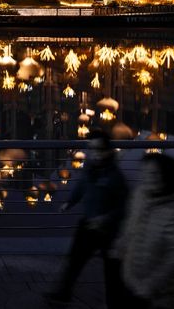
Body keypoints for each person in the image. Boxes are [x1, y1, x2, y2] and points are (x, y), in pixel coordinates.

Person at [45, 130, 130, 306]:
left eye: (98, 150)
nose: (94, 154)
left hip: (109, 231)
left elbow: (123, 207)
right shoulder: (90, 168)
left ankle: (114, 303)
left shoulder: (116, 177)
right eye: (91, 149)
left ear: (108, 151)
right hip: (88, 225)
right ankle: (62, 294)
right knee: (75, 261)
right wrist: (69, 203)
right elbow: (81, 186)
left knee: (112, 270)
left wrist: (106, 218)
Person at [114, 153, 174, 309]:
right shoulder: (140, 196)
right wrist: (121, 245)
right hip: (133, 279)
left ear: (167, 177)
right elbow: (131, 225)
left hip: (162, 292)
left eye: (153, 173)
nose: (146, 177)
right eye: (144, 172)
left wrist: (150, 284)